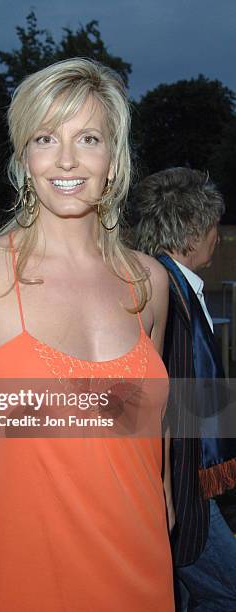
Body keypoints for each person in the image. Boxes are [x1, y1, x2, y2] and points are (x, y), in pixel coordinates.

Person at [0, 58, 174, 612]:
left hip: (143, 567)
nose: (66, 160)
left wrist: (170, 517)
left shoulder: (149, 281)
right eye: (45, 137)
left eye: (88, 137)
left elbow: (152, 426)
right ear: (23, 156)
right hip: (26, 573)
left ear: (114, 158)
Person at [131, 167, 236, 611]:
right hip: (182, 482)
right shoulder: (167, 293)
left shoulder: (169, 283)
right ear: (194, 231)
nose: (219, 238)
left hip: (182, 477)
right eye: (215, 227)